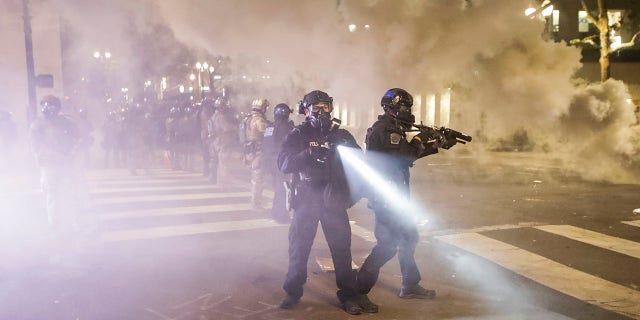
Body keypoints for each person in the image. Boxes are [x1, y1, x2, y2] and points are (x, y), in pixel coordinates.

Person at [354, 88, 458, 312]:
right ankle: (357, 291)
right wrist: (422, 138)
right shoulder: (384, 130)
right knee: (388, 246)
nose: (407, 111)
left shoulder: (394, 130)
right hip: (385, 198)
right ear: (389, 108)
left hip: (396, 196)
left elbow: (406, 155)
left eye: (408, 107)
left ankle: (410, 284)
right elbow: (405, 154)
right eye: (403, 107)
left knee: (409, 237)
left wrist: (436, 145)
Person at [277, 90, 364, 315]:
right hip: (306, 198)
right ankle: (292, 291)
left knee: (342, 250)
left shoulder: (341, 134)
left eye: (325, 106)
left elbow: (359, 163)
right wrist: (307, 153)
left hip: (333, 198)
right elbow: (284, 164)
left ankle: (348, 295)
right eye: (315, 107)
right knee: (299, 247)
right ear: (305, 110)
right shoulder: (298, 134)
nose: (321, 111)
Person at [30, 95, 87, 247]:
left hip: (65, 164)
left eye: (51, 105)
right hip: (49, 166)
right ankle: (55, 227)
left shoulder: (65, 122)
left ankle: (73, 224)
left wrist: (72, 154)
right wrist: (55, 155)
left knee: (69, 194)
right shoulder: (38, 124)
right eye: (46, 105)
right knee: (53, 196)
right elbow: (36, 146)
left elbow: (80, 139)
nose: (48, 108)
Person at [261, 103, 294, 222]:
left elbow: (265, 145)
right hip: (281, 161)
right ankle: (281, 215)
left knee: (278, 188)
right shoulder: (286, 127)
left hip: (270, 162)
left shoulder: (270, 127)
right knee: (283, 189)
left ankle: (275, 213)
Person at [244, 98, 271, 211]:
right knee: (258, 179)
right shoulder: (258, 120)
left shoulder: (249, 118)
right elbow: (267, 132)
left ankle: (256, 203)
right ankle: (256, 204)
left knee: (256, 178)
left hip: (251, 151)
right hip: (257, 152)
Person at [206, 96, 238, 186]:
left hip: (214, 142)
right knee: (224, 163)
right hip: (222, 141)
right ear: (221, 107)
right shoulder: (221, 117)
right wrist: (235, 128)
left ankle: (213, 179)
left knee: (214, 161)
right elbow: (227, 128)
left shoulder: (212, 117)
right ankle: (223, 183)